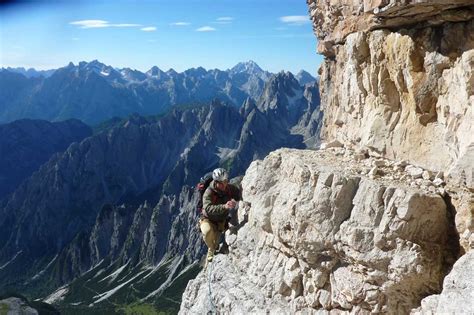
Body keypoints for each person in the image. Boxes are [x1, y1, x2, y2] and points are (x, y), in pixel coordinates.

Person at [200, 168, 241, 265]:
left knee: (216, 242)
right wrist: (224, 206)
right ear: (215, 181)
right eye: (221, 183)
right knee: (207, 232)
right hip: (208, 219)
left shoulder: (230, 189)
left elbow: (239, 194)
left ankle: (212, 252)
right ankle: (211, 248)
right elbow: (208, 208)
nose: (224, 185)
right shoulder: (208, 192)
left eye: (225, 181)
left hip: (221, 221)